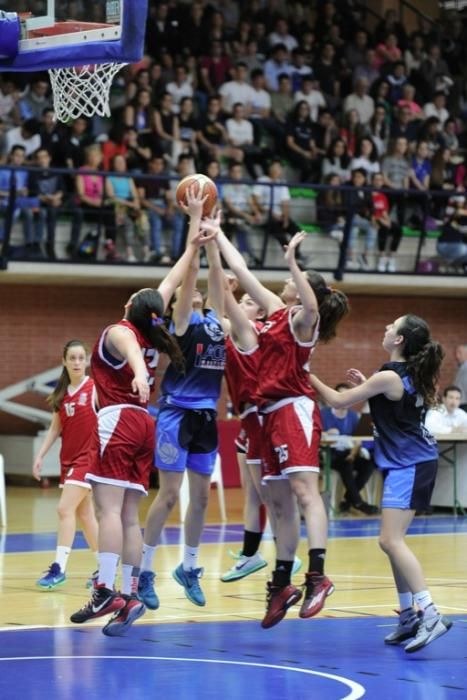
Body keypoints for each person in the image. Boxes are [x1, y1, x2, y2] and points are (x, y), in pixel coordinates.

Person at [69, 192, 214, 636]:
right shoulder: (153, 329)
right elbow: (171, 282)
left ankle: (106, 588)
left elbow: (130, 348)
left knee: (106, 510)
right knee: (129, 515)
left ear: (130, 306)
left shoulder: (123, 331)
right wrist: (194, 234)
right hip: (146, 424)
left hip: (118, 417)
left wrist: (138, 374)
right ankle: (130, 592)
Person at [201, 220, 349, 629]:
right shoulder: (276, 313)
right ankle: (282, 581)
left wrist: (292, 261)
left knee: (305, 492)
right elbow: (243, 274)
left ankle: (317, 575)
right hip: (264, 417)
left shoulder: (304, 322)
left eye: (293, 278)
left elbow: (313, 306)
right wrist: (217, 236)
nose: (285, 280)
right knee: (278, 502)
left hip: (293, 408)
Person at [310, 314, 453, 652]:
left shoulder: (389, 375)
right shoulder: (401, 374)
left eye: (392, 326)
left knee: (391, 541)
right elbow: (391, 399)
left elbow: (337, 400)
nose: (386, 328)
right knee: (391, 540)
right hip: (410, 462)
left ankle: (429, 614)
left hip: (411, 463)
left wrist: (306, 374)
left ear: (400, 340)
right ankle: (407, 615)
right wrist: (369, 386)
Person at [137, 195, 226, 612]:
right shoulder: (180, 324)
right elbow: (190, 273)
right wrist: (194, 221)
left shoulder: (217, 322)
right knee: (169, 496)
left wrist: (213, 238)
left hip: (207, 416)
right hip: (176, 413)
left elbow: (218, 283)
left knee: (202, 498)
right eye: (184, 296)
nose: (193, 295)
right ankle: (145, 570)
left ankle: (189, 567)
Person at [32, 340, 99, 589]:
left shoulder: (94, 388)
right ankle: (105, 570)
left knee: (64, 509)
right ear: (64, 361)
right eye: (73, 358)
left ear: (87, 361)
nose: (77, 362)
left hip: (89, 459)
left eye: (81, 358)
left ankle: (59, 568)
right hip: (68, 460)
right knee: (85, 515)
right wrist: (40, 455)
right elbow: (54, 429)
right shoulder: (61, 394)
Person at [321, 383, 378, 515]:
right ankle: (358, 503)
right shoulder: (324, 414)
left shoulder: (353, 416)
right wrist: (326, 433)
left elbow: (357, 439)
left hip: (349, 453)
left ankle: (348, 499)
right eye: (341, 395)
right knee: (346, 464)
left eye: (348, 395)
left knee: (369, 464)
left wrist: (353, 453)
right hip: (330, 454)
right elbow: (316, 436)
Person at [454, 344, 467, 409]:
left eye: (460, 353)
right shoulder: (461, 367)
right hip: (460, 403)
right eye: (456, 353)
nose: (457, 356)